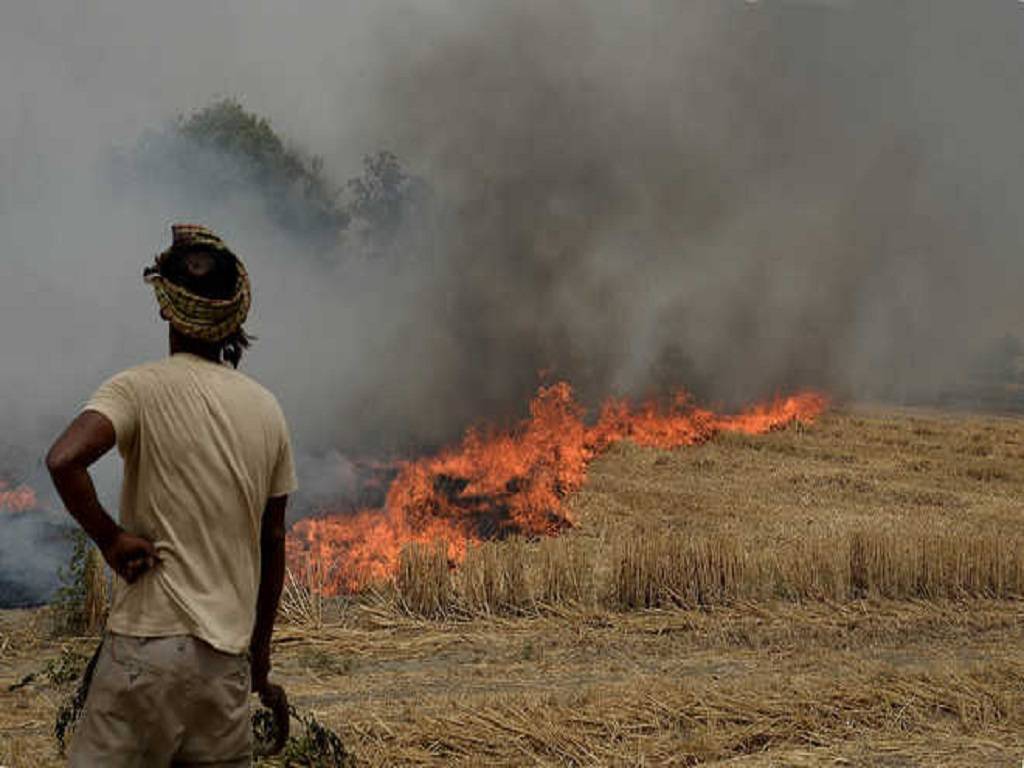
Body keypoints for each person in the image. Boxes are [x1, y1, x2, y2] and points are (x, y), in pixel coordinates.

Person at [46, 224, 297, 767]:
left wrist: (110, 539)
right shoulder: (267, 410)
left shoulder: (136, 388)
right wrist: (259, 657)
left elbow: (64, 459)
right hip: (224, 668)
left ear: (164, 307)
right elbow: (272, 540)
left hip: (146, 652)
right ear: (235, 315)